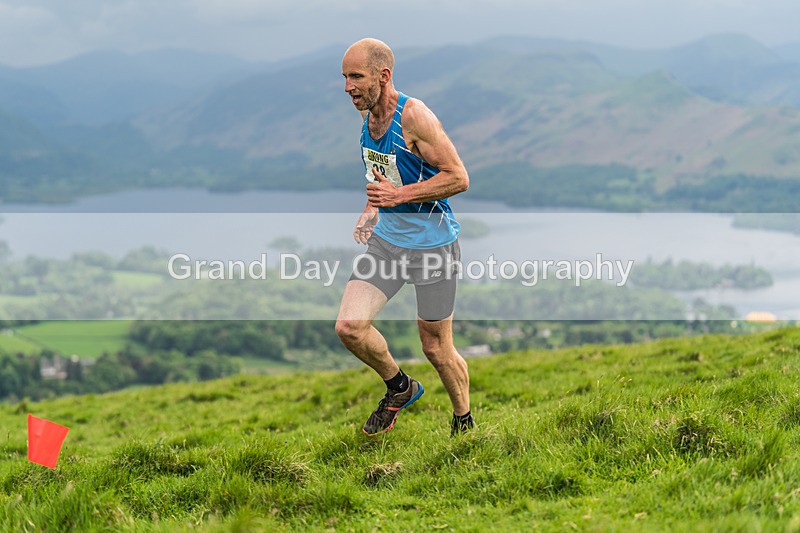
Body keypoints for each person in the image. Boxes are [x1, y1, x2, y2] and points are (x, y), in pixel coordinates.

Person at [335, 38, 474, 437]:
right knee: (349, 327)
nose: (348, 86)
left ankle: (464, 421)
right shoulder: (367, 119)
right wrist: (372, 209)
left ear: (384, 76)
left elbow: (458, 177)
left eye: (356, 76)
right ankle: (400, 388)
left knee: (436, 348)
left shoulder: (414, 117)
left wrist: (397, 197)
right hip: (388, 243)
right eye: (345, 77)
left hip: (434, 249)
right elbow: (383, 176)